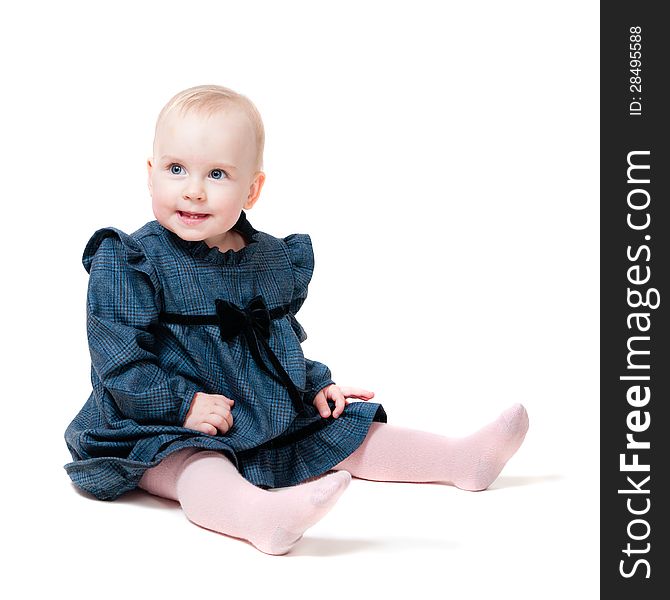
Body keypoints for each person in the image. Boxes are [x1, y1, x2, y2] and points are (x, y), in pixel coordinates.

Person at [64, 84, 529, 556]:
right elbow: (117, 361)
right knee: (196, 466)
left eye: (218, 173)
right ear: (150, 173)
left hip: (258, 408)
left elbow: (274, 345)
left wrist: (311, 386)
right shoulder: (131, 260)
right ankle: (260, 517)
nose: (194, 189)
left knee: (347, 429)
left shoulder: (266, 257)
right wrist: (183, 405)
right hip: (154, 421)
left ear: (252, 189)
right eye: (176, 169)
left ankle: (460, 459)